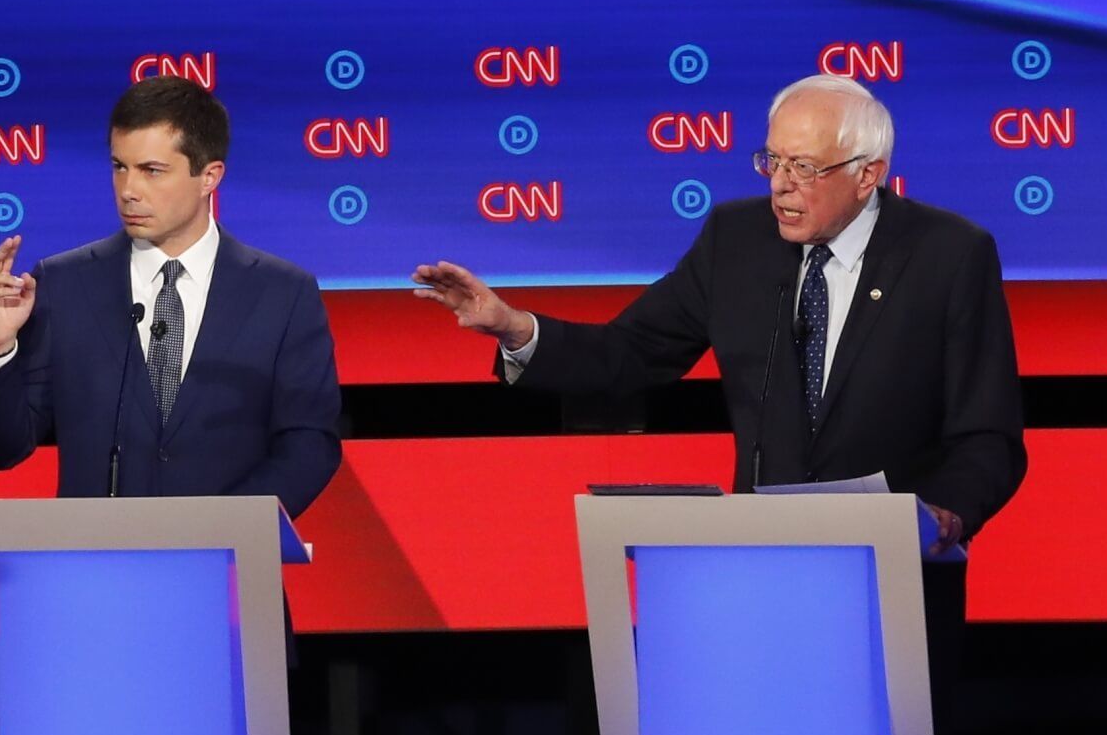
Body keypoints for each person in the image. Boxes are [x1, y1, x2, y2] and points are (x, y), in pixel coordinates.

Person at [412, 73, 1026, 563]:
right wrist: (513, 326)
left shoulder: (948, 254)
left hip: (898, 575)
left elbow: (988, 435)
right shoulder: (737, 240)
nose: (782, 187)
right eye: (773, 162)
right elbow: (628, 355)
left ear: (868, 174)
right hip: (762, 567)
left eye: (805, 168)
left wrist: (946, 513)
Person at [0, 76, 341, 518]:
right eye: (119, 166)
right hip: (97, 574)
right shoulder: (65, 284)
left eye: (151, 170)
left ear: (209, 177)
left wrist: (229, 528)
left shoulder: (283, 294)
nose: (128, 190)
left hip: (229, 572)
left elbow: (309, 443)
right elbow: (2, 450)